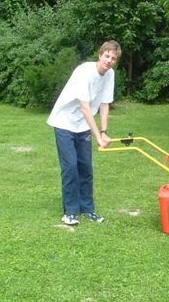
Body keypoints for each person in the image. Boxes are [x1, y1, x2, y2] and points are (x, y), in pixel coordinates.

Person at [47, 40, 121, 226]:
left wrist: (104, 132)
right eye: (107, 56)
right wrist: (98, 137)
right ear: (100, 54)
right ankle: (70, 213)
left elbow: (104, 104)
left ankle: (88, 209)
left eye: (113, 58)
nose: (109, 61)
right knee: (70, 167)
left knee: (86, 168)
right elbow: (85, 108)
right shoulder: (84, 72)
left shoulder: (110, 74)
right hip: (64, 121)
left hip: (82, 126)